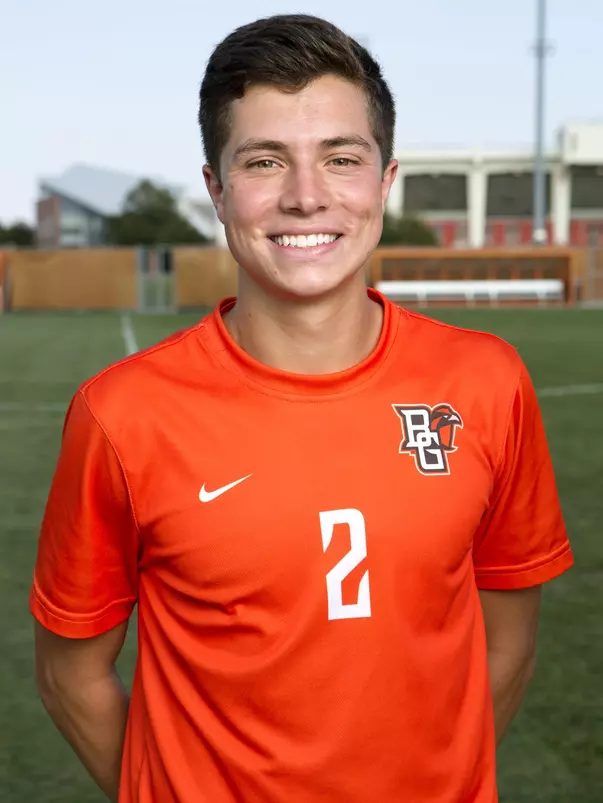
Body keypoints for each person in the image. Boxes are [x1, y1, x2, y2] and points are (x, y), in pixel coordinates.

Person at [30, 13, 574, 803]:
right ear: (216, 190)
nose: (305, 196)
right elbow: (69, 673)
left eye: (341, 158)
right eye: (263, 161)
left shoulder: (486, 381)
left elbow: (509, 641)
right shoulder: (122, 414)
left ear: (384, 181)